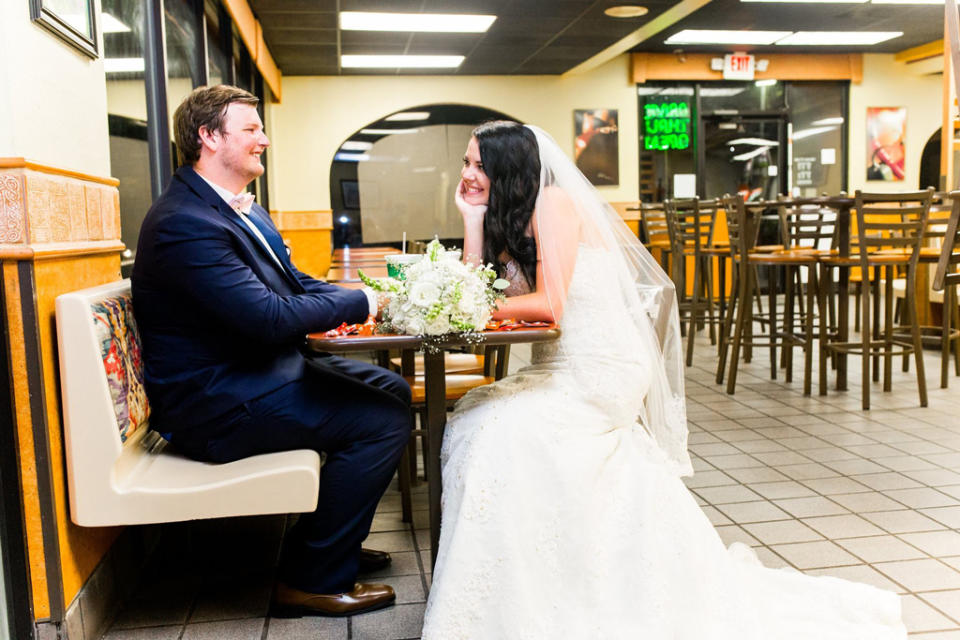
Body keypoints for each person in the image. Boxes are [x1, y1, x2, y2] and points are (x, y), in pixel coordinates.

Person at [421, 121, 906, 638]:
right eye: (466, 164)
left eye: (478, 164)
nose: (469, 173)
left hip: (598, 367)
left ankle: (551, 580)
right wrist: (472, 220)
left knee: (504, 432)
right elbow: (472, 289)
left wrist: (472, 308)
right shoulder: (509, 218)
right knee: (476, 416)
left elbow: (548, 305)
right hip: (557, 366)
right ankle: (544, 576)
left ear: (508, 168)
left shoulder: (554, 204)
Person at [131, 85, 411, 617]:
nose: (264, 140)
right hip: (215, 404)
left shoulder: (236, 210)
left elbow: (294, 283)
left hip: (258, 375)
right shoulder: (183, 223)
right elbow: (267, 319)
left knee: (391, 387)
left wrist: (374, 300)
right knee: (382, 421)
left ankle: (331, 539)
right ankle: (310, 579)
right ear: (208, 137)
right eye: (251, 129)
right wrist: (362, 301)